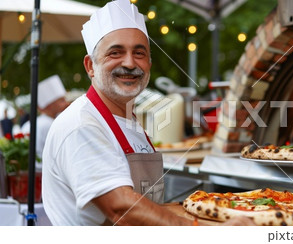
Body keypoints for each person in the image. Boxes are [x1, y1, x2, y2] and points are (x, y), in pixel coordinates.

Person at [42, 0, 253, 226]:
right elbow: (122, 208)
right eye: (116, 52)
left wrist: (226, 211)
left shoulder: (128, 120)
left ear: (149, 64)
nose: (130, 63)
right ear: (90, 66)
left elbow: (147, 205)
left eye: (139, 53)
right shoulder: (82, 124)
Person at [22, 75, 69, 163]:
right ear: (49, 105)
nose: (66, 103)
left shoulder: (28, 124)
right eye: (62, 100)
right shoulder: (52, 125)